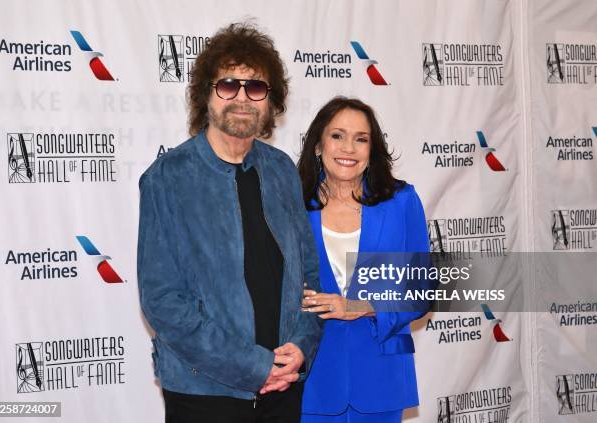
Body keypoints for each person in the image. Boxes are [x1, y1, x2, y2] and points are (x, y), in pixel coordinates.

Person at [137, 23, 322, 423]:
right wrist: (254, 366)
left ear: (271, 102)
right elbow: (164, 302)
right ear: (207, 94)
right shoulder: (167, 178)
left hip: (283, 389)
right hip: (205, 395)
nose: (242, 97)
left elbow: (308, 275)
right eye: (228, 84)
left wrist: (302, 346)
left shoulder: (281, 171)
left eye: (256, 87)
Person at [297, 97, 430, 423]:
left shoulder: (401, 201)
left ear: (372, 150)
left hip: (381, 374)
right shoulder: (292, 204)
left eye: (361, 139)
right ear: (318, 145)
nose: (349, 148)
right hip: (311, 378)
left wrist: (356, 306)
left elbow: (422, 291)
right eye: (337, 136)